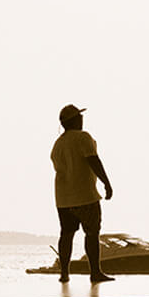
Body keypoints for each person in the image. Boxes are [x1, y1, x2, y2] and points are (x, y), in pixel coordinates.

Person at [51, 103, 115, 283]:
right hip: (85, 195)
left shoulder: (58, 144)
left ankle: (64, 273)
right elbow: (94, 161)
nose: (82, 119)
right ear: (75, 120)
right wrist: (107, 183)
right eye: (79, 116)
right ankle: (95, 272)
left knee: (66, 234)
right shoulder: (83, 138)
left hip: (63, 198)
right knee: (92, 233)